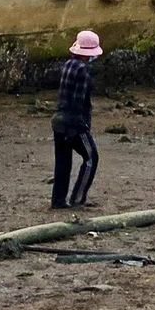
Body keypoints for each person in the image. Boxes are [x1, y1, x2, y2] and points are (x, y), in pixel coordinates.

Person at [50, 29, 102, 209]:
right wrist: (81, 126)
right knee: (91, 157)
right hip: (74, 122)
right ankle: (78, 198)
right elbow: (79, 101)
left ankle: (58, 200)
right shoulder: (83, 71)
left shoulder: (67, 65)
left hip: (58, 120)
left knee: (63, 162)